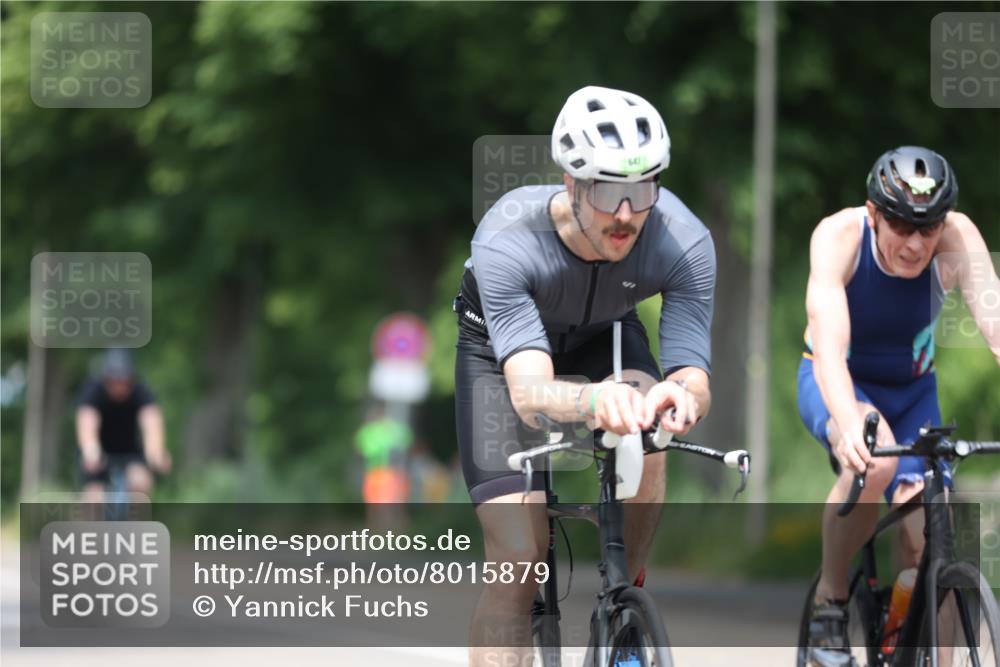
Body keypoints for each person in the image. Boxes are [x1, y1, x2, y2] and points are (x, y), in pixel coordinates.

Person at [454, 85, 716, 666]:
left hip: (606, 334)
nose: (626, 214)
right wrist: (596, 400)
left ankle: (627, 602)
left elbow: (692, 371)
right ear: (571, 183)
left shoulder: (684, 240)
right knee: (521, 556)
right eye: (606, 191)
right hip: (503, 360)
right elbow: (529, 394)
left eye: (642, 189)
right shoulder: (508, 239)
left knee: (651, 433)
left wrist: (681, 395)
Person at [799, 146, 1000, 663]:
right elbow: (829, 350)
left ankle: (918, 642)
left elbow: (996, 325)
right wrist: (848, 423)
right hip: (839, 380)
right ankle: (830, 603)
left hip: (913, 393)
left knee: (933, 535)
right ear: (873, 214)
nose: (915, 244)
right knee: (877, 457)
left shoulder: (957, 238)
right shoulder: (839, 237)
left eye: (927, 229)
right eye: (901, 228)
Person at [76, 348, 171, 502]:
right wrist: (90, 450)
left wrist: (156, 452)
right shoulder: (93, 391)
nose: (119, 386)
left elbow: (151, 422)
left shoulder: (142, 392)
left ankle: (136, 524)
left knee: (141, 484)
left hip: (131, 453)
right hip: (98, 457)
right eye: (114, 380)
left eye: (123, 380)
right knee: (94, 499)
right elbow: (87, 422)